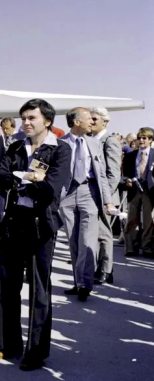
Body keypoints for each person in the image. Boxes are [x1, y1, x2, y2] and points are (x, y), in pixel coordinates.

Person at [0, 99, 72, 371]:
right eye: (23, 117)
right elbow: (0, 176)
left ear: (47, 120)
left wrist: (25, 179)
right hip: (14, 221)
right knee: (7, 285)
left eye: (31, 118)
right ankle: (6, 342)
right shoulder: (15, 146)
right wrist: (25, 178)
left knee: (38, 289)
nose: (26, 122)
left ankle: (35, 351)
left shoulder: (60, 149)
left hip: (41, 225)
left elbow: (51, 189)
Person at [59, 108, 114, 301]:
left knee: (88, 242)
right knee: (73, 241)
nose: (92, 121)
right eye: (88, 118)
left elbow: (102, 175)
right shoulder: (60, 144)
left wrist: (108, 201)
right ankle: (77, 281)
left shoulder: (95, 144)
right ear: (76, 122)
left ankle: (85, 284)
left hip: (89, 193)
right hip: (66, 196)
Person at [89, 107, 121, 284]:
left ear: (105, 122)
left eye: (94, 119)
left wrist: (105, 198)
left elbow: (113, 174)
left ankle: (106, 271)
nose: (91, 122)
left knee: (103, 234)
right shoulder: (92, 140)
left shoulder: (110, 141)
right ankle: (99, 267)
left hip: (105, 196)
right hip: (94, 195)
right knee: (95, 234)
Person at [121, 127, 154, 258]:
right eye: (139, 138)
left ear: (150, 140)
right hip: (134, 190)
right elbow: (124, 175)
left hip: (149, 192)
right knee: (131, 219)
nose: (141, 140)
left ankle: (147, 247)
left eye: (144, 138)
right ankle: (131, 247)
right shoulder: (130, 155)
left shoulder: (153, 154)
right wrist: (126, 181)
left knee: (148, 221)